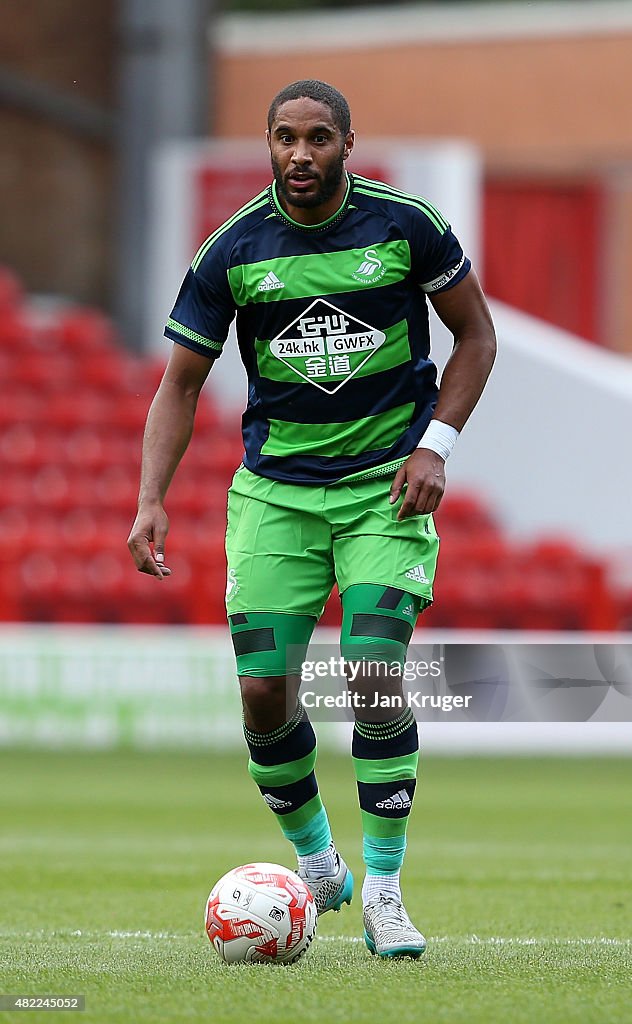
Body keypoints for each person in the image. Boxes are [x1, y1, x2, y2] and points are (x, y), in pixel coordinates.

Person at [128, 79, 496, 959]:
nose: (301, 155)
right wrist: (150, 499)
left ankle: (385, 891)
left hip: (383, 487)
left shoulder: (406, 227)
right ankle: (318, 864)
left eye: (318, 138)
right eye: (285, 138)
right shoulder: (231, 251)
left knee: (370, 671)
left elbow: (475, 337)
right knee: (263, 693)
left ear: (346, 144)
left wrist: (434, 445)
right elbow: (180, 384)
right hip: (276, 497)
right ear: (268, 145)